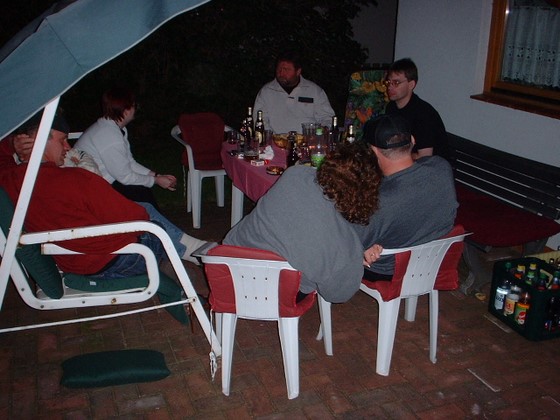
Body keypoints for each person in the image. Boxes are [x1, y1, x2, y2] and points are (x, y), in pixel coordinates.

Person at [0, 114, 208, 279]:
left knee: (141, 208)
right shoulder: (75, 178)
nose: (68, 147)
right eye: (62, 140)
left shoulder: (10, 180)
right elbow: (135, 217)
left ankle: (185, 256)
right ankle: (195, 254)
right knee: (151, 221)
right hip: (117, 260)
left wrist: (10, 146)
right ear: (39, 140)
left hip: (70, 260)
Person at [223, 142, 381, 303]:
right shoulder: (342, 243)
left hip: (227, 270)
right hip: (275, 295)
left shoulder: (295, 174)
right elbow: (338, 295)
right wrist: (355, 260)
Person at [357, 114, 458, 279]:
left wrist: (363, 247)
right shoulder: (441, 167)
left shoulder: (379, 198)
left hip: (388, 270)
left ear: (373, 151)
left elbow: (351, 241)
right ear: (412, 140)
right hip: (434, 262)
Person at [75, 86, 177, 209]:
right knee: (140, 194)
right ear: (125, 110)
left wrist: (157, 176)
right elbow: (124, 177)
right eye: (133, 106)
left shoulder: (116, 128)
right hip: (91, 189)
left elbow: (129, 163)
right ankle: (154, 221)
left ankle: (153, 219)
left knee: (141, 191)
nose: (135, 109)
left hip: (103, 181)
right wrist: (155, 181)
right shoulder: (109, 135)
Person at [253, 51, 335, 134]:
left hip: (307, 140)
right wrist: (273, 138)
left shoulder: (314, 91)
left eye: (286, 70)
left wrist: (320, 132)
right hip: (275, 140)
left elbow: (327, 118)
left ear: (298, 71)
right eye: (279, 69)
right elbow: (259, 120)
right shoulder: (266, 92)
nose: (281, 73)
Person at [383, 58, 448, 159]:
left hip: (430, 165)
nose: (390, 87)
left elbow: (425, 157)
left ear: (411, 85)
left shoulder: (424, 114)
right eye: (388, 82)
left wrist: (396, 157)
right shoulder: (391, 107)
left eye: (396, 82)